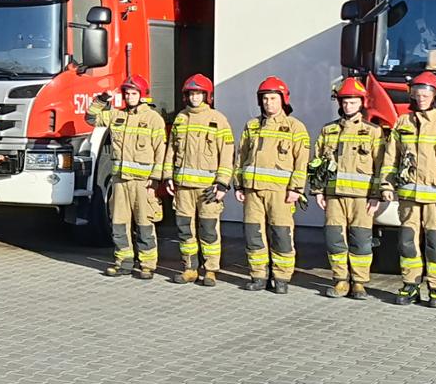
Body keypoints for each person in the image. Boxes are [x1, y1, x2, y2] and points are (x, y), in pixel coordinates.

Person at [384, 72, 436, 308]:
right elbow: (391, 157)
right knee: (407, 242)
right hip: (409, 199)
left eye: (425, 95)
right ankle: (410, 284)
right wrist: (386, 184)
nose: (421, 99)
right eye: (417, 95)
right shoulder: (403, 123)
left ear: (435, 97)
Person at [311, 76, 387, 299]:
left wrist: (376, 195)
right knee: (335, 239)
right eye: (344, 102)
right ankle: (340, 280)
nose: (347, 106)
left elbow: (380, 164)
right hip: (334, 197)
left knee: (361, 240)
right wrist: (317, 190)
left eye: (352, 102)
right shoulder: (328, 130)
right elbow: (318, 162)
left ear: (361, 103)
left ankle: (360, 283)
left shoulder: (373, 131)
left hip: (362, 199)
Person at [234, 76, 310, 294]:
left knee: (281, 234)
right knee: (253, 234)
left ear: (283, 100)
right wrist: (239, 185)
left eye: (273, 98)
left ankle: (282, 278)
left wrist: (296, 189)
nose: (269, 103)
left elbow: (301, 161)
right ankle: (258, 276)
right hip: (253, 192)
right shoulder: (252, 126)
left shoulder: (295, 127)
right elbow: (242, 157)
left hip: (281, 193)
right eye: (265, 99)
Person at [90, 76, 170, 279]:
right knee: (119, 224)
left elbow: (161, 151)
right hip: (120, 182)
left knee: (144, 225)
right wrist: (102, 99)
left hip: (143, 184)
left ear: (142, 95)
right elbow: (91, 118)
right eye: (127, 93)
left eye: (134, 93)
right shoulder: (117, 115)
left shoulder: (153, 119)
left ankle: (147, 265)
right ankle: (123, 261)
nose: (130, 97)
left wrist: (156, 180)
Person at [163, 74, 233, 286]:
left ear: (206, 96)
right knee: (185, 229)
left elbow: (228, 153)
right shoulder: (181, 119)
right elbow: (171, 150)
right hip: (183, 187)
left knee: (209, 230)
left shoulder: (218, 119)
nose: (195, 98)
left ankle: (210, 270)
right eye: (191, 94)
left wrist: (222, 183)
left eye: (199, 94)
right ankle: (189, 268)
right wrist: (167, 177)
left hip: (208, 189)